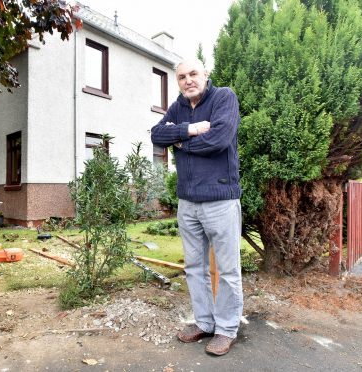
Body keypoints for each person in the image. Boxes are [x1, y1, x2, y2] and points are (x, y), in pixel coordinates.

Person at [151, 59, 243, 356]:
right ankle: (204, 322)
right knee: (194, 268)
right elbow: (156, 134)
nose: (188, 80)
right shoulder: (178, 107)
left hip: (220, 200)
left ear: (205, 75)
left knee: (228, 270)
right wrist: (190, 129)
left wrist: (179, 142)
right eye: (181, 77)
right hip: (187, 202)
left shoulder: (224, 97)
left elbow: (219, 140)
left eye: (193, 74)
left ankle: (227, 329)